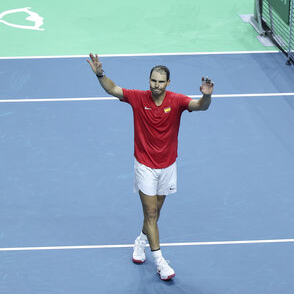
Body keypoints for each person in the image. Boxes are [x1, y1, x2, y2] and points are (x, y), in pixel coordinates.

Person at [87, 53, 214, 281]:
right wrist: (100, 74)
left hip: (168, 166)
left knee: (155, 213)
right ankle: (160, 262)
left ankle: (141, 240)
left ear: (168, 83)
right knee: (151, 213)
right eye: (153, 81)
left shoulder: (176, 101)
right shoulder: (138, 98)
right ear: (149, 81)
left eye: (160, 82)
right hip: (144, 164)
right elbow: (113, 89)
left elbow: (200, 106)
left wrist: (206, 97)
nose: (156, 85)